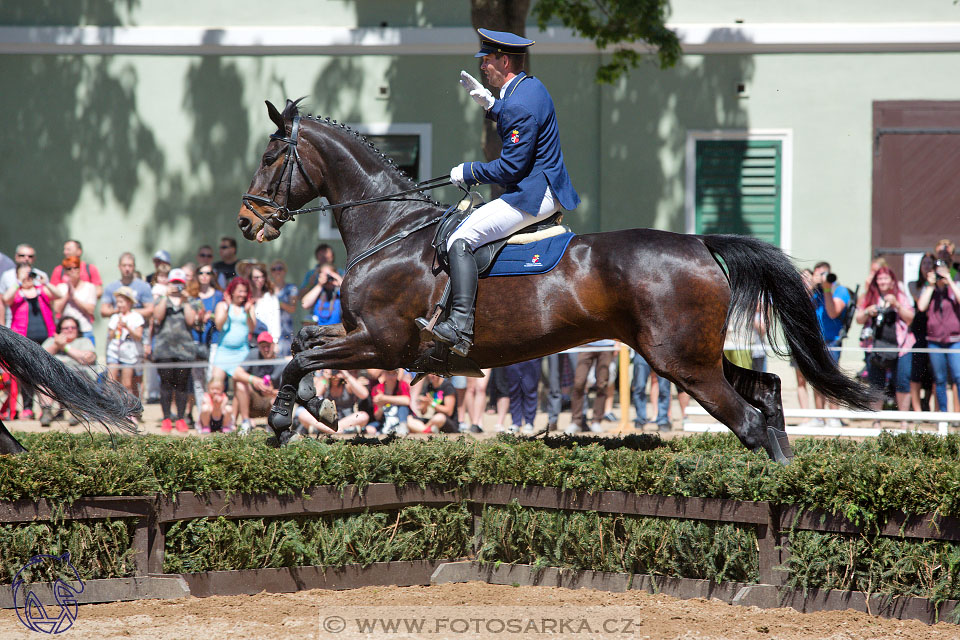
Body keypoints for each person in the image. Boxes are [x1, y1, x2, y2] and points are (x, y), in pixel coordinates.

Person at [417, 28, 580, 357]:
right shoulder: (529, 87)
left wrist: (470, 171)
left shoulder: (519, 102)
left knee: (459, 240)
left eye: (488, 60)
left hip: (532, 193)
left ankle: (460, 325)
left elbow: (511, 169)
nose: (483, 66)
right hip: (543, 184)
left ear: (504, 60)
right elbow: (518, 115)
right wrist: (492, 106)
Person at [855, 266, 915, 422]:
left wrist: (897, 305)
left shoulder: (900, 296)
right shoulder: (870, 296)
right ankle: (876, 422)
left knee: (902, 383)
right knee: (876, 385)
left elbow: (910, 318)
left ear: (892, 280)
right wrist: (868, 311)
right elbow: (859, 319)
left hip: (900, 347)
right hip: (875, 347)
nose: (882, 281)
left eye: (885, 278)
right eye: (879, 278)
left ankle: (904, 422)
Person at [3, 263, 62, 419]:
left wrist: (45, 282)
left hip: (46, 339)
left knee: (46, 372)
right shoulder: (16, 293)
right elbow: (6, 299)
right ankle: (28, 408)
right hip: (23, 340)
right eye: (24, 274)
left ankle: (46, 407)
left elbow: (58, 295)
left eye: (30, 274)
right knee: (26, 374)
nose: (28, 277)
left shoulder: (42, 290)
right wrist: (19, 282)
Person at [801, 261, 851, 428]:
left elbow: (832, 312)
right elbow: (799, 308)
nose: (821, 278)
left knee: (832, 379)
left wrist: (827, 288)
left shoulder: (839, 290)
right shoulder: (813, 292)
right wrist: (811, 286)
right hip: (814, 341)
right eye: (818, 274)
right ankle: (819, 416)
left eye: (824, 274)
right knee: (816, 380)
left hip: (832, 341)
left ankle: (833, 416)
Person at [152, 268, 198, 433]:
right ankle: (166, 418)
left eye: (180, 283)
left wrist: (184, 300)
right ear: (169, 283)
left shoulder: (190, 301)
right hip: (164, 350)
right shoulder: (160, 299)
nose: (177, 286)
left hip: (184, 350)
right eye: (174, 283)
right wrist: (165, 296)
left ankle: (180, 418)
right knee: (165, 385)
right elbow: (158, 316)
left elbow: (191, 320)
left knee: (181, 385)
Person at [916, 257, 960, 412]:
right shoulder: (929, 288)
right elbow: (921, 306)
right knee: (940, 379)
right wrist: (930, 285)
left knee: (958, 377)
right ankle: (943, 415)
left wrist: (949, 279)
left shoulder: (954, 286)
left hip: (955, 339)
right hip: (935, 340)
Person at [40, 316, 98, 425]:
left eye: (73, 327)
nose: (70, 330)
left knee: (74, 376)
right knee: (44, 380)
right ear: (60, 330)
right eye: (66, 328)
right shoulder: (52, 341)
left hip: (79, 378)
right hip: (55, 379)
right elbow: (39, 358)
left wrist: (65, 347)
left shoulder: (84, 341)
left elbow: (87, 358)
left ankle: (77, 413)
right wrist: (56, 345)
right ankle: (46, 413)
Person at [232, 331, 288, 435]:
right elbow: (236, 373)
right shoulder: (254, 354)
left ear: (273, 345)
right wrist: (255, 380)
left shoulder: (281, 363)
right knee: (240, 384)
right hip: (253, 401)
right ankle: (245, 422)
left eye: (268, 346)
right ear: (258, 347)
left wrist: (271, 392)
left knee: (278, 399)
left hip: (270, 402)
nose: (266, 349)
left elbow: (286, 393)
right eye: (263, 346)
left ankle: (272, 425)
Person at [105, 286, 145, 403]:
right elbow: (110, 336)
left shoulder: (136, 317)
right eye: (118, 302)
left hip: (129, 353)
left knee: (127, 383)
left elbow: (138, 336)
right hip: (114, 352)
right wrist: (116, 328)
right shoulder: (114, 317)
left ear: (129, 302)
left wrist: (127, 327)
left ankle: (129, 409)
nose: (119, 305)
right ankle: (112, 407)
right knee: (111, 381)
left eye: (121, 302)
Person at [211, 277, 255, 381]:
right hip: (223, 352)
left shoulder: (249, 307)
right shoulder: (222, 305)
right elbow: (219, 326)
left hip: (242, 352)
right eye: (240, 291)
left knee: (241, 387)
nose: (243, 294)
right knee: (216, 385)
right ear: (232, 291)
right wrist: (228, 307)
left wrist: (248, 312)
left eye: (245, 291)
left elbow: (252, 328)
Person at [907, 254, 936, 411]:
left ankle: (927, 403)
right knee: (916, 371)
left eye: (929, 263)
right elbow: (920, 303)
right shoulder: (914, 285)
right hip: (918, 331)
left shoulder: (940, 284)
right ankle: (917, 408)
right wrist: (929, 283)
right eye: (924, 263)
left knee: (933, 372)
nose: (926, 266)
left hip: (935, 331)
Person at [565, 341, 613, 434]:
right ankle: (576, 421)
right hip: (586, 343)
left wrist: (617, 343)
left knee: (602, 384)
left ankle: (597, 421)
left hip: (607, 344)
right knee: (579, 383)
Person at [306, 368, 371, 435]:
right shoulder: (325, 383)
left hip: (347, 420)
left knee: (363, 416)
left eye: (337, 371)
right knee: (303, 413)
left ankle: (328, 430)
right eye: (333, 371)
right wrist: (325, 378)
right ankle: (336, 430)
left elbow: (364, 395)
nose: (335, 375)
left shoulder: (346, 384)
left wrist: (346, 375)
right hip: (327, 420)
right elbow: (314, 397)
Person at [0, 244, 48, 328]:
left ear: (34, 259)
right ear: (16, 257)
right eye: (22, 255)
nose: (26, 258)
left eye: (30, 256)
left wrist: (46, 283)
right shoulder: (7, 276)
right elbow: (2, 302)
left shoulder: (40, 275)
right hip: (14, 326)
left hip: (39, 325)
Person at [53, 256, 98, 344]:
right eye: (69, 268)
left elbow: (91, 310)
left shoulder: (89, 287)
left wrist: (74, 298)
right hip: (65, 332)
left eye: (76, 267)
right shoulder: (60, 287)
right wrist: (67, 295)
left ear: (80, 269)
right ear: (65, 271)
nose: (73, 271)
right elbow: (57, 309)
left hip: (85, 331)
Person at [632, 353, 671, 432]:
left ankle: (663, 420)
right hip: (641, 353)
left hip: (662, 352)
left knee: (664, 389)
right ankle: (640, 419)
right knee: (639, 387)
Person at [269, 260, 299, 357]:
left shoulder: (292, 288)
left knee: (286, 358)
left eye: (280, 269)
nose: (277, 271)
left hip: (285, 330)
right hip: (269, 328)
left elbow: (292, 308)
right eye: (274, 269)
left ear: (285, 271)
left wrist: (277, 303)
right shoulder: (267, 289)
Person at [503, 358, 541, 434]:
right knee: (513, 390)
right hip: (513, 356)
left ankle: (529, 422)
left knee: (530, 389)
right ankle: (516, 422)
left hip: (532, 356)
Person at [246, 263, 281, 343]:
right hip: (248, 340)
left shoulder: (271, 297)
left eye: (262, 277)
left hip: (266, 340)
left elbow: (275, 321)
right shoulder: (246, 297)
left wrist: (275, 341)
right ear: (251, 278)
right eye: (256, 277)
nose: (260, 280)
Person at [371, 369, 413, 435]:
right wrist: (380, 406)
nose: (391, 377)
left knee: (403, 406)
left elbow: (407, 401)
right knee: (370, 428)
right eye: (388, 373)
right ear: (383, 374)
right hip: (385, 420)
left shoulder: (402, 384)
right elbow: (377, 417)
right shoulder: (377, 388)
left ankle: (403, 427)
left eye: (393, 373)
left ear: (397, 374)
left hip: (401, 418)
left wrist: (384, 398)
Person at [301, 262, 342, 326]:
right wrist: (319, 285)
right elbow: (304, 304)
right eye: (324, 275)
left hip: (338, 332)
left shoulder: (340, 291)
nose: (327, 278)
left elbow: (352, 300)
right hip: (318, 332)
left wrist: (339, 280)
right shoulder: (318, 291)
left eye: (329, 275)